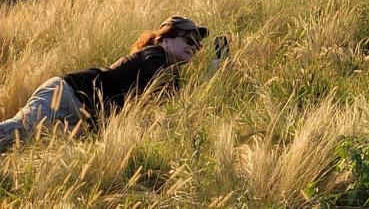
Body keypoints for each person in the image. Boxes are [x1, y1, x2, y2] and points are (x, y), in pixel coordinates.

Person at [0, 16, 228, 151]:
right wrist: (211, 75)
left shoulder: (169, 71)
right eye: (188, 40)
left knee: (20, 146)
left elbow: (176, 107)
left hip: (82, 117)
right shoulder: (154, 55)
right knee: (16, 130)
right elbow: (172, 98)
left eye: (198, 45)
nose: (194, 47)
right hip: (67, 94)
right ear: (165, 39)